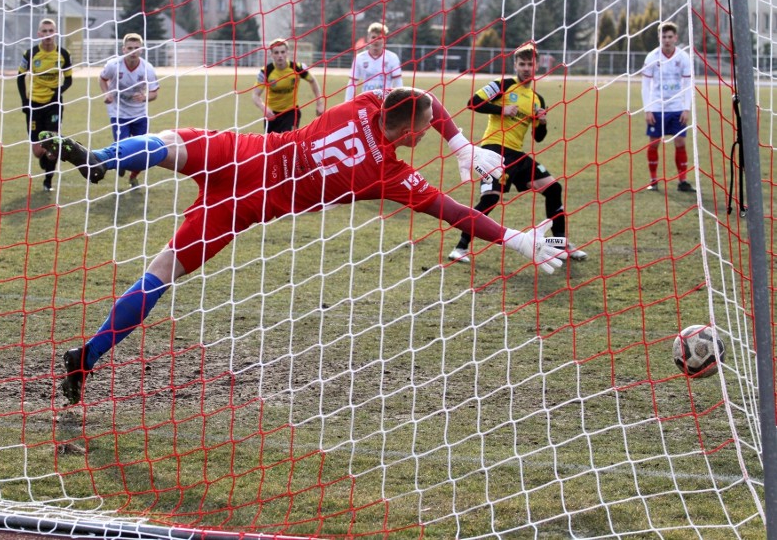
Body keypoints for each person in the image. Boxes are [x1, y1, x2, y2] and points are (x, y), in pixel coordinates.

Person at [39, 87, 565, 405]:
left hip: (243, 154)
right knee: (160, 274)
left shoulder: (364, 104)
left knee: (171, 144)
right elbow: (454, 211)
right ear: (409, 135)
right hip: (243, 208)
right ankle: (85, 359)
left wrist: (457, 140)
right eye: (426, 132)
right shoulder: (388, 175)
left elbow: (417, 100)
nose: (428, 133)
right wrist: (516, 237)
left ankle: (102, 160)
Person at [448, 42, 588, 264]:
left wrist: (541, 122)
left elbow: (538, 137)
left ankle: (561, 245)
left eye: (529, 64)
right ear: (515, 65)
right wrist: (501, 109)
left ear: (536, 66)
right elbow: (473, 103)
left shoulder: (537, 99)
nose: (525, 68)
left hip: (517, 155)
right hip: (493, 151)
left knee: (553, 188)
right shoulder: (503, 85)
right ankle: (460, 248)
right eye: (521, 64)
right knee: (491, 199)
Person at [17, 18, 73, 192]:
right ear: (39, 34)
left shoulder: (63, 54)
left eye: (51, 31)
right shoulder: (30, 54)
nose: (48, 34)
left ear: (55, 33)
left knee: (53, 144)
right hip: (34, 104)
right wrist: (25, 102)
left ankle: (48, 181)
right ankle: (45, 160)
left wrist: (59, 91)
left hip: (54, 104)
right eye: (45, 31)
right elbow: (20, 77)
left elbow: (69, 79)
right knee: (37, 151)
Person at [99, 33, 160, 188]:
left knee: (142, 151)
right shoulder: (114, 65)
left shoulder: (147, 68)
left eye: (136, 48)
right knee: (122, 146)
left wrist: (145, 97)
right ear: (124, 49)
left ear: (142, 50)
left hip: (140, 114)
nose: (133, 51)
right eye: (130, 48)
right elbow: (102, 78)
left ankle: (133, 176)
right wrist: (107, 93)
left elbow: (154, 93)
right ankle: (121, 164)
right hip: (118, 113)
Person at [641, 21, 694, 192]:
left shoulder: (683, 57)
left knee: (680, 142)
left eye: (670, 37)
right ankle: (653, 180)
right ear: (659, 37)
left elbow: (687, 84)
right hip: (657, 107)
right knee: (654, 143)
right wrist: (647, 108)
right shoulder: (652, 57)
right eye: (663, 36)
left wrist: (686, 108)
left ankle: (682, 181)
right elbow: (645, 85)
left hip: (677, 108)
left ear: (676, 38)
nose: (667, 40)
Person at [251, 38, 324, 133]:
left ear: (287, 53)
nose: (280, 56)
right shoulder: (265, 71)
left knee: (289, 143)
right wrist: (264, 108)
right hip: (272, 114)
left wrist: (319, 103)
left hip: (291, 112)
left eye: (282, 52)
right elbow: (255, 95)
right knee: (272, 146)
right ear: (271, 54)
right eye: (276, 53)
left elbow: (312, 81)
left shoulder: (297, 68)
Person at [344, 22, 402, 101]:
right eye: (373, 37)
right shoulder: (359, 58)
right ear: (368, 39)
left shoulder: (392, 58)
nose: (376, 41)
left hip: (385, 101)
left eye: (380, 38)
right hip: (366, 100)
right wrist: (348, 103)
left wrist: (399, 102)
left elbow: (398, 83)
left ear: (384, 40)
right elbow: (352, 83)